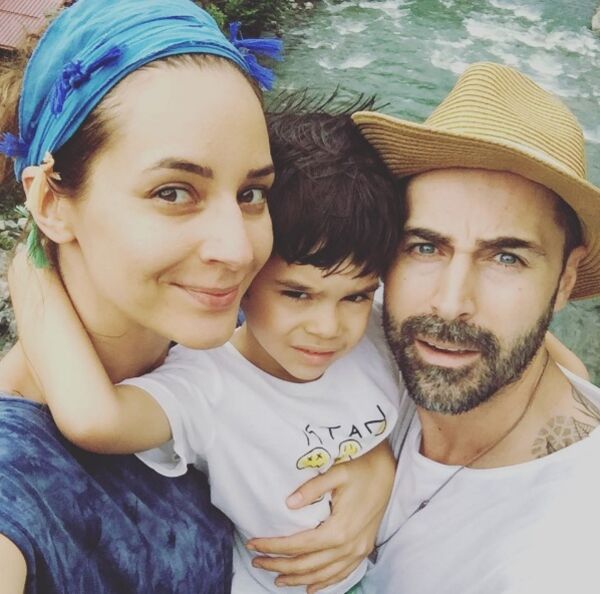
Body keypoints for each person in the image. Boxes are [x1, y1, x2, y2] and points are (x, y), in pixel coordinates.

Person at [0, 1, 393, 592]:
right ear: (52, 203)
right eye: (173, 192)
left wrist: (371, 457)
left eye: (252, 194)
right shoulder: (18, 474)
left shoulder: (235, 320)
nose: (237, 251)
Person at [351, 61, 600, 593]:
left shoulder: (564, 558)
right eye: (425, 247)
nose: (449, 303)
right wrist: (371, 458)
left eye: (506, 258)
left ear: (565, 280)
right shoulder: (352, 317)